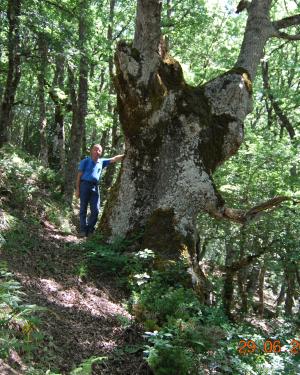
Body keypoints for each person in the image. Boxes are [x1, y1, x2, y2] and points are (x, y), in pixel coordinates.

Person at [76, 144, 124, 237]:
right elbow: (79, 176)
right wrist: (77, 189)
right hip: (84, 185)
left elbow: (114, 159)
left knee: (96, 210)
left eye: (99, 150)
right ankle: (82, 230)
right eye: (95, 149)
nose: (97, 152)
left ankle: (90, 230)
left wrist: (125, 155)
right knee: (83, 208)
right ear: (91, 151)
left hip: (95, 187)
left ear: (101, 152)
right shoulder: (85, 161)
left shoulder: (101, 162)